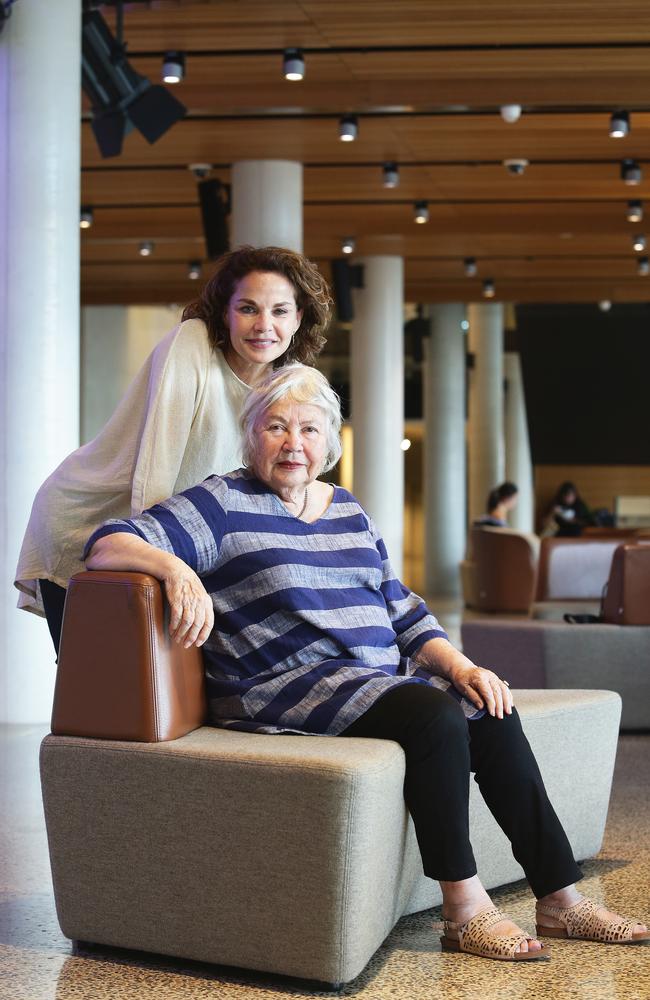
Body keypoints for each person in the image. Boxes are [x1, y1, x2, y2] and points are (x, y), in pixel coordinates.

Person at [84, 363, 648, 963]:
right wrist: (175, 569)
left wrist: (462, 667)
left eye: (307, 429)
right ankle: (464, 908)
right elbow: (106, 542)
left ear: (329, 441)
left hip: (368, 679)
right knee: (433, 715)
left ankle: (559, 898)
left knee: (487, 702)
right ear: (252, 438)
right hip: (281, 682)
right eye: (275, 427)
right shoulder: (222, 502)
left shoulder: (348, 510)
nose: (292, 443)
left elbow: (401, 608)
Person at [14, 246, 332, 652]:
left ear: (299, 317)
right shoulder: (193, 344)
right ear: (224, 313)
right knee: (99, 681)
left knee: (147, 692)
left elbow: (279, 481)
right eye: (248, 308)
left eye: (280, 311)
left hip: (164, 534)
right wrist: (156, 562)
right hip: (94, 520)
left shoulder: (283, 383)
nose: (264, 325)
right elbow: (155, 471)